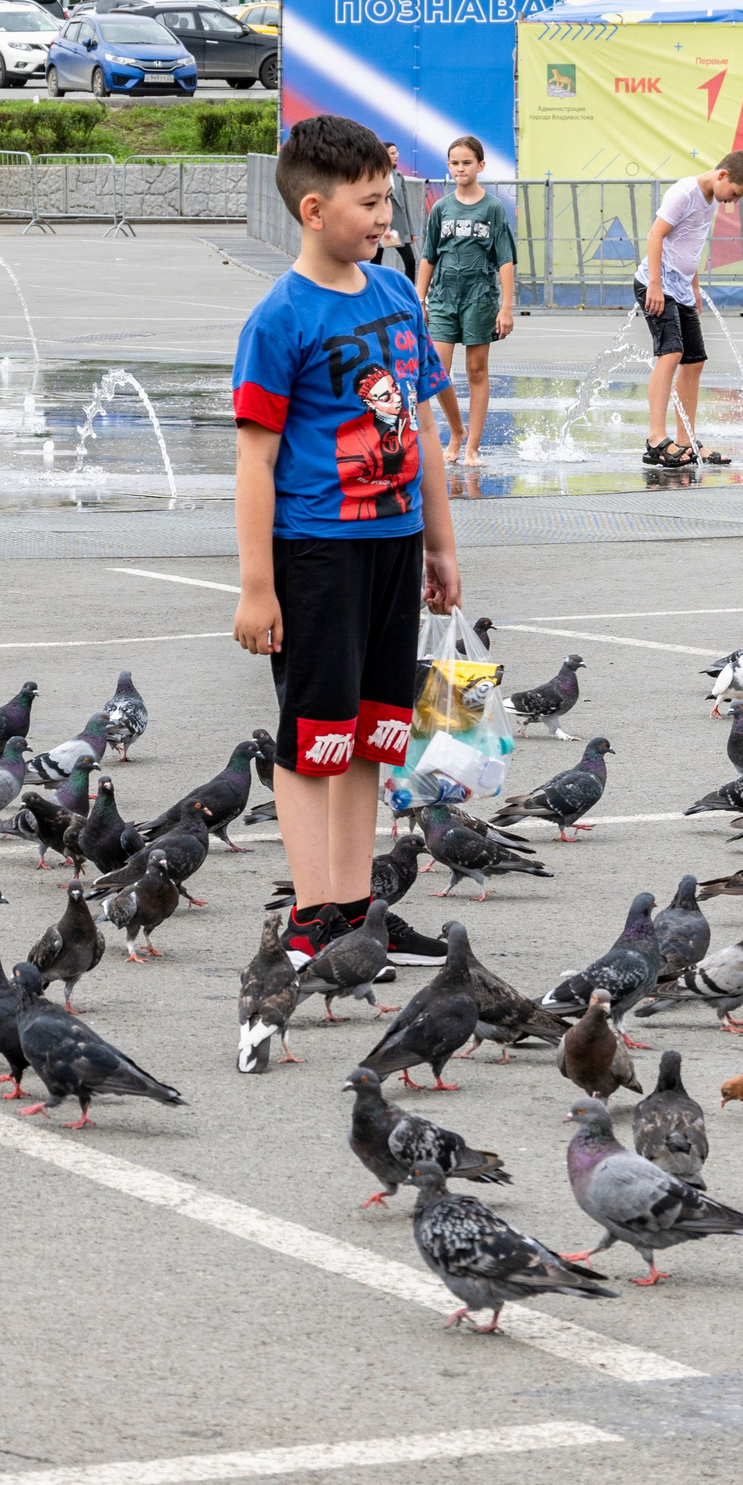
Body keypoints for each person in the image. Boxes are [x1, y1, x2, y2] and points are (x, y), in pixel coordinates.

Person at [230, 115, 459, 959]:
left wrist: (440, 544)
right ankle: (312, 916)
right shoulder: (279, 318)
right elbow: (254, 460)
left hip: (395, 544)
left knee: (372, 731)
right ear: (316, 210)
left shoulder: (398, 294)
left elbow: (428, 432)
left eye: (387, 199)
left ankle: (358, 909)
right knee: (312, 738)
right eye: (369, 203)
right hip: (317, 552)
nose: (385, 216)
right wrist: (259, 586)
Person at [635, 150, 743, 468]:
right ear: (722, 175)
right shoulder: (684, 192)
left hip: (681, 288)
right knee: (671, 352)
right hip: (657, 284)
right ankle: (656, 439)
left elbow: (691, 244)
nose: (733, 202)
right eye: (734, 194)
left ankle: (685, 441)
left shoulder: (710, 199)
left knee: (694, 362)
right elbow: (656, 236)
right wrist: (654, 284)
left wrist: (693, 287)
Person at [414, 134, 517, 466]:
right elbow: (428, 256)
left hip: (480, 300)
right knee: (438, 372)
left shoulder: (492, 208)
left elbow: (505, 260)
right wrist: (420, 299)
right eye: (455, 163)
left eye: (467, 162)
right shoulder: (442, 208)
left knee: (476, 370)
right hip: (443, 299)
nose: (461, 168)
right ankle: (455, 432)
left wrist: (506, 307)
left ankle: (473, 444)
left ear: (481, 166)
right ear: (448, 166)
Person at [368, 141, 416, 278]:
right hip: (382, 226)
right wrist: (383, 226)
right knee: (376, 261)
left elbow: (405, 205)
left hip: (399, 228)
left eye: (397, 153)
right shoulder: (375, 175)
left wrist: (410, 231)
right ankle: (372, 289)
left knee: (410, 261)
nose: (396, 156)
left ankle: (408, 293)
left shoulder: (398, 176)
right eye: (392, 153)